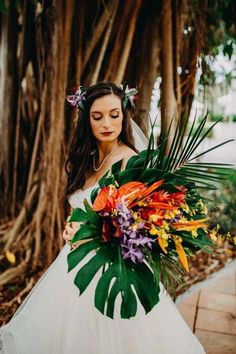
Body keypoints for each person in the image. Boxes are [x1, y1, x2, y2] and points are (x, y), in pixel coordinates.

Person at [0, 81, 206, 354]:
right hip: (73, 264)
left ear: (124, 115)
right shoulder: (86, 159)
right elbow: (77, 212)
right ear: (87, 119)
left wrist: (101, 231)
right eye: (97, 117)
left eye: (114, 114)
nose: (107, 123)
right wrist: (71, 228)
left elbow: (139, 224)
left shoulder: (129, 160)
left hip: (111, 267)